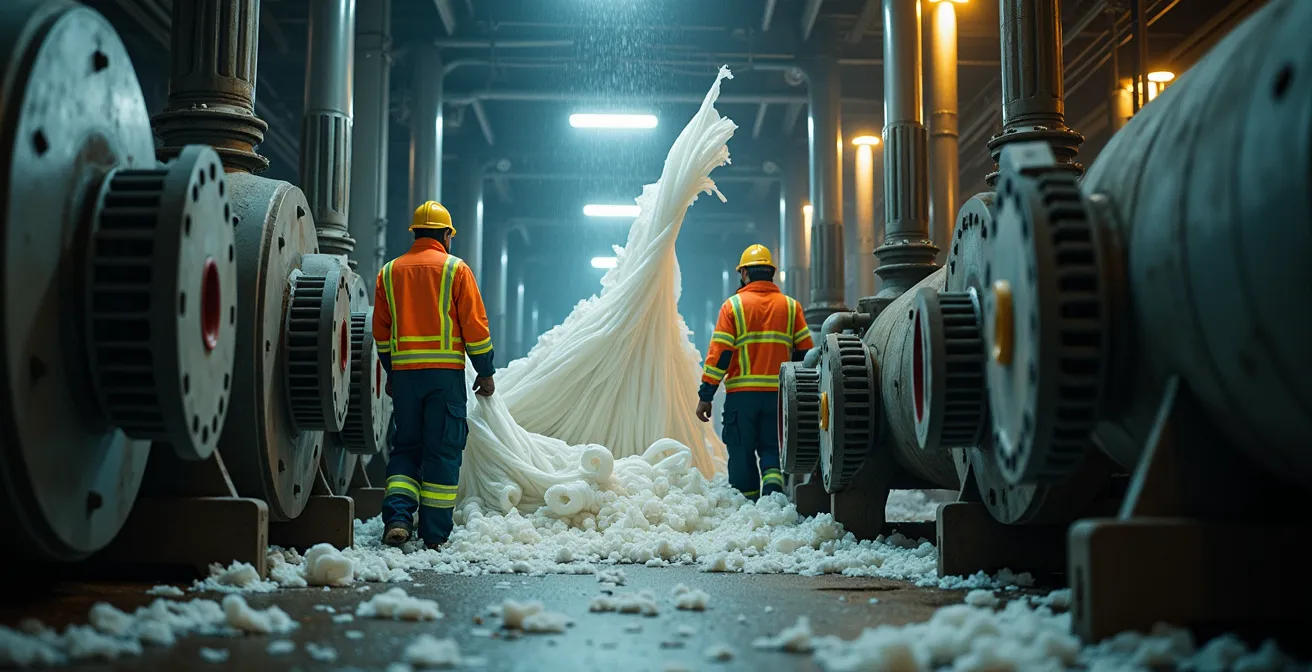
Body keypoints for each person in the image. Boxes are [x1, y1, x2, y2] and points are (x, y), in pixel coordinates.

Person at [373, 200, 496, 549]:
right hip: (444, 379)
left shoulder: (389, 272)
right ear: (446, 234)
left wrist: (392, 372)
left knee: (406, 448)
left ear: (414, 233)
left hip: (407, 378)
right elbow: (476, 328)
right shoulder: (456, 270)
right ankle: (434, 534)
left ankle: (397, 517)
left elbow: (381, 333)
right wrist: (486, 372)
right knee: (442, 452)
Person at [695, 244, 813, 500]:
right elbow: (805, 356)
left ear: (745, 274)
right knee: (773, 448)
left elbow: (720, 356)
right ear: (771, 272)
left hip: (742, 398)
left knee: (740, 451)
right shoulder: (791, 308)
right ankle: (772, 497)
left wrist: (706, 395)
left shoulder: (733, 307)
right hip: (779, 397)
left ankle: (746, 504)